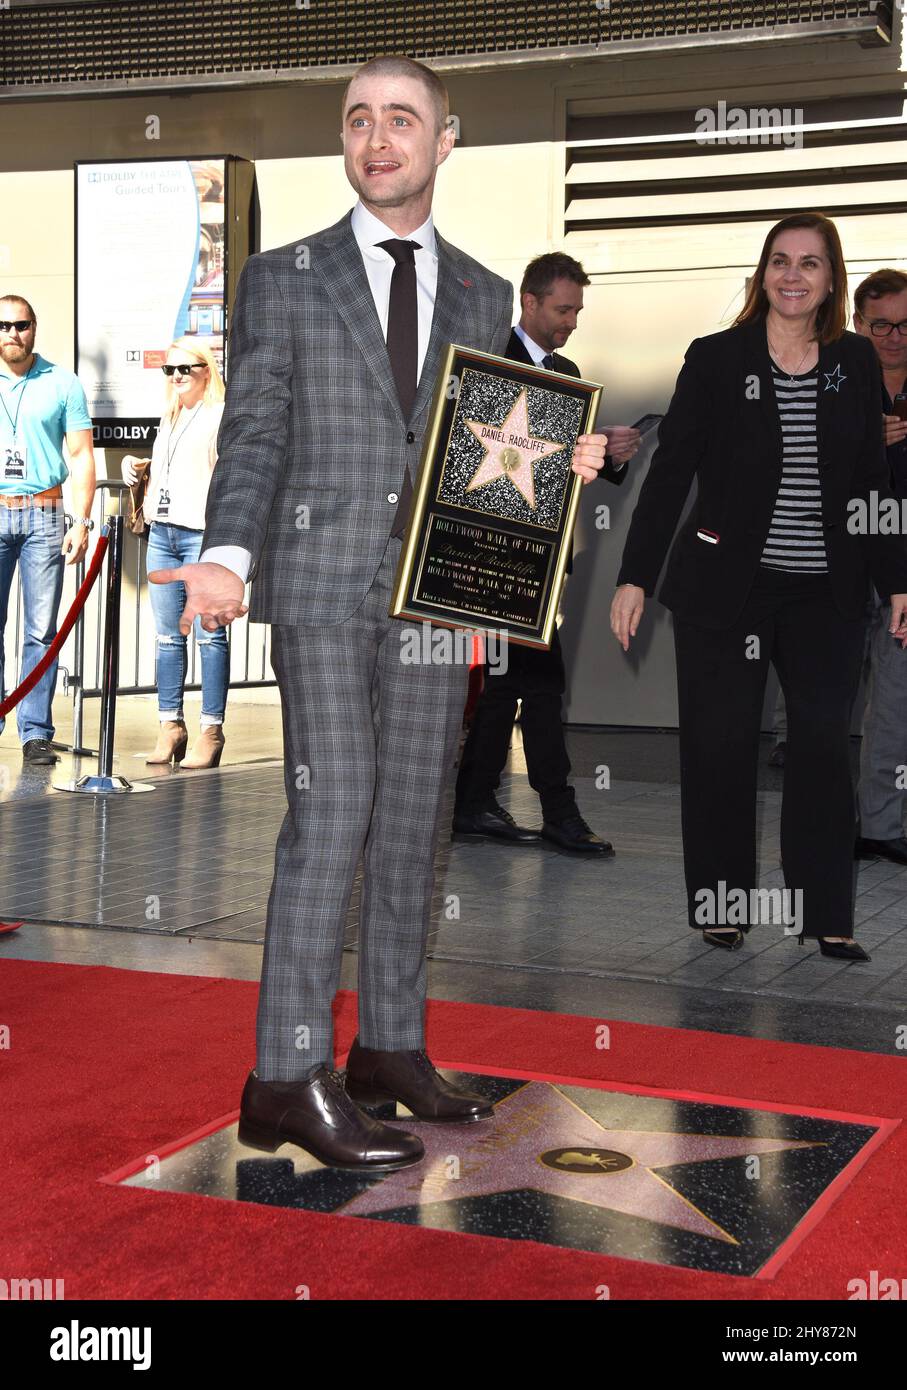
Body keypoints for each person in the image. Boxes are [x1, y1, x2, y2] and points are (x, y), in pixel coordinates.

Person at [150, 55, 608, 1172]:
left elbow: (481, 448)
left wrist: (562, 470)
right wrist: (224, 556)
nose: (377, 136)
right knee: (334, 815)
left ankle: (388, 1050)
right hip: (313, 586)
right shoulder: (284, 277)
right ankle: (283, 1075)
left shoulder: (478, 287)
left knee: (416, 822)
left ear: (443, 141)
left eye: (401, 118)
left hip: (434, 601)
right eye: (358, 119)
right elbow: (255, 429)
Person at [610, 212, 907, 963]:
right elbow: (670, 471)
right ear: (761, 272)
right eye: (780, 260)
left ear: (830, 278)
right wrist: (635, 577)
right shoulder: (715, 358)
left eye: (809, 263)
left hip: (825, 594)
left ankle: (824, 914)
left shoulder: (854, 363)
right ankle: (722, 902)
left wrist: (896, 580)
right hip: (724, 590)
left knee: (819, 746)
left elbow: (871, 481)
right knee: (720, 745)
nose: (793, 275)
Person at [453, 251, 640, 855]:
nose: (572, 322)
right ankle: (554, 812)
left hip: (534, 555)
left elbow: (560, 460)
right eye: (563, 309)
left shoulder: (565, 368)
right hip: (488, 554)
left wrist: (609, 453)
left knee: (515, 684)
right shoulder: (486, 358)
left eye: (577, 310)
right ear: (528, 302)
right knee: (536, 680)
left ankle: (476, 803)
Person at [122, 339, 228, 769]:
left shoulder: (221, 415)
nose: (177, 375)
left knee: (210, 635)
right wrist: (136, 465)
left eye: (186, 367)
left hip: (202, 536)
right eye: (170, 369)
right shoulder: (170, 415)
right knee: (167, 637)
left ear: (207, 369)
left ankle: (210, 730)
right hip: (163, 533)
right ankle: (171, 725)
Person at [0, 295, 95, 765]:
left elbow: (80, 456)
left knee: (40, 630)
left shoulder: (62, 382)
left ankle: (34, 731)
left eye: (21, 325)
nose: (12, 333)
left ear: (34, 328)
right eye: (3, 325)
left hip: (44, 513)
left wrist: (80, 521)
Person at [852, 269, 907, 863]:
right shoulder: (834, 382)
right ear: (859, 325)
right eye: (882, 324)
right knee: (822, 703)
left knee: (895, 699)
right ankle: (824, 822)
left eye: (906, 324)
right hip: (840, 557)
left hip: (903, 568)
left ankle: (881, 827)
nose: (895, 337)